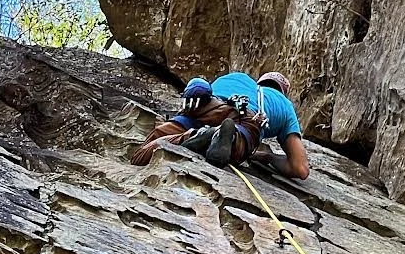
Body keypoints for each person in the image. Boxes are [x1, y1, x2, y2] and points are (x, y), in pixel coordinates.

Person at [130, 68, 310, 180]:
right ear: (282, 91)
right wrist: (269, 158)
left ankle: (186, 135)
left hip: (205, 106)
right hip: (244, 116)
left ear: (260, 81)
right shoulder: (284, 105)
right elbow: (300, 168)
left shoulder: (236, 78)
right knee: (240, 137)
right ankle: (219, 136)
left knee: (146, 149)